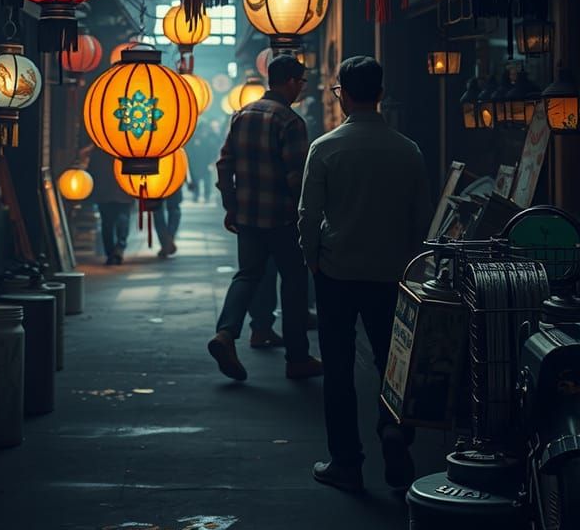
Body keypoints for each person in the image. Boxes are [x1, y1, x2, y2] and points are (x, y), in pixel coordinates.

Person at [298, 55, 432, 493]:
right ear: (379, 94)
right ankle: (394, 431)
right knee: (392, 365)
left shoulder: (326, 147)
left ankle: (347, 462)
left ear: (344, 95)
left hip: (336, 271)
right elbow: (421, 219)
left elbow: (308, 215)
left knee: (337, 369)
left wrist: (312, 259)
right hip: (392, 274)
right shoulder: (407, 150)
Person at [208, 54, 322, 382]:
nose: (301, 88)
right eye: (300, 82)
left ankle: (226, 334)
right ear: (289, 81)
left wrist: (231, 205)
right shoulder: (290, 121)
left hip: (247, 217)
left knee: (247, 276)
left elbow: (224, 164)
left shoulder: (242, 115)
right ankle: (297, 358)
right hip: (283, 220)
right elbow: (297, 178)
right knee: (295, 283)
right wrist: (308, 218)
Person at [88, 148, 133, 265]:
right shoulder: (126, 148)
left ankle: (111, 252)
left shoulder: (98, 149)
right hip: (123, 192)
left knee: (107, 223)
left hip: (104, 192)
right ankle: (119, 248)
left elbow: (91, 171)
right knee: (123, 220)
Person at [151, 187, 183, 258]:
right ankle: (169, 239)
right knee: (174, 209)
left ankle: (165, 242)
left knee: (157, 210)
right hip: (175, 180)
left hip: (156, 180)